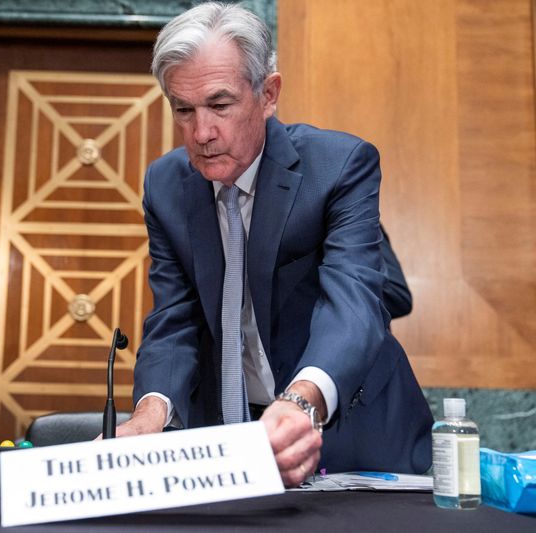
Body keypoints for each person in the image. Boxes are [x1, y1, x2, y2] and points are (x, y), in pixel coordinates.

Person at [117, 2, 433, 487]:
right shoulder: (166, 185)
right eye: (184, 109)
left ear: (268, 94)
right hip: (230, 435)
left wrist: (303, 399)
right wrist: (150, 411)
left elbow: (353, 304)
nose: (201, 133)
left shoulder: (338, 166)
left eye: (220, 105)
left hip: (349, 428)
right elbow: (174, 317)